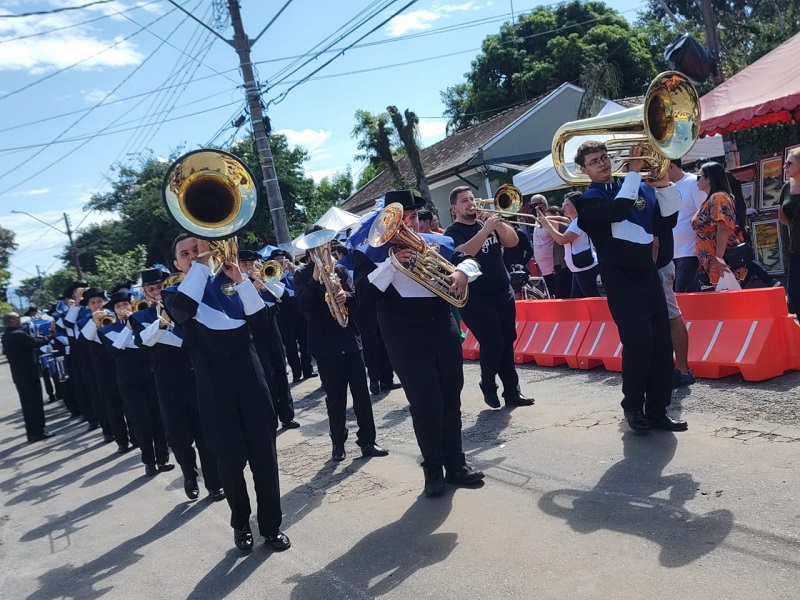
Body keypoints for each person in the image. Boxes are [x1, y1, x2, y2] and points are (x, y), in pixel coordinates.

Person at [163, 234, 290, 553]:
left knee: (265, 456)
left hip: (251, 378)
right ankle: (241, 524)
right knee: (230, 461)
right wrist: (202, 264)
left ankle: (271, 527)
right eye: (186, 254)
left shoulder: (230, 283)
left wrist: (242, 281)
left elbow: (261, 325)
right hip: (213, 385)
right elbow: (183, 311)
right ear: (177, 264)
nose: (194, 255)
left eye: (198, 249)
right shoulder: (174, 293)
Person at [354, 189, 485, 496]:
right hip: (404, 336)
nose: (410, 225)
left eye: (413, 217)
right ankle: (433, 470)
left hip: (442, 326)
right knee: (426, 402)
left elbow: (467, 261)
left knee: (451, 395)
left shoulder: (436, 242)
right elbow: (363, 295)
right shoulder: (369, 254)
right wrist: (391, 264)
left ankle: (457, 465)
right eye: (403, 219)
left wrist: (462, 273)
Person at [572, 140, 688, 433]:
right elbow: (619, 210)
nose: (602, 164)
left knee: (661, 345)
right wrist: (634, 172)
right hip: (620, 280)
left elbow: (668, 220)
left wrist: (664, 186)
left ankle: (659, 410)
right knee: (639, 345)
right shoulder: (588, 201)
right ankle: (634, 407)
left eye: (604, 157)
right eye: (594, 161)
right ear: (583, 170)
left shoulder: (637, 188)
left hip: (648, 274)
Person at [294, 225, 389, 462]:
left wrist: (346, 296)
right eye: (316, 245)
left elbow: (357, 299)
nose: (322, 248)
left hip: (350, 340)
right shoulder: (302, 274)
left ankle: (368, 441)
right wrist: (315, 279)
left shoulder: (341, 270)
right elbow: (302, 306)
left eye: (324, 243)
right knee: (335, 399)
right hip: (324, 346)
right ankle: (338, 443)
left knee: (362, 396)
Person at [130, 268, 226, 501]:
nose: (157, 292)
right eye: (152, 289)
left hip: (195, 376)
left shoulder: (183, 307)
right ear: (145, 292)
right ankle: (189, 476)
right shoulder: (139, 317)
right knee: (179, 437)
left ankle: (214, 483)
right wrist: (163, 320)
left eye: (161, 287)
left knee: (205, 433)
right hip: (167, 382)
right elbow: (143, 341)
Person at [445, 185, 534, 409]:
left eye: (472, 198)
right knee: (493, 342)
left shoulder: (485, 223)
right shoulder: (452, 232)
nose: (471, 203)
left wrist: (498, 223)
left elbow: (513, 241)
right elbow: (463, 252)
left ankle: (512, 391)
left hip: (502, 290)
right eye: (464, 201)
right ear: (454, 208)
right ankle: (488, 384)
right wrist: (485, 230)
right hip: (475, 297)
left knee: (507, 341)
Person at [98, 291, 173, 476]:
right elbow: (115, 351)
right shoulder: (106, 330)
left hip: (151, 376)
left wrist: (136, 322)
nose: (122, 308)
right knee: (141, 421)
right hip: (129, 382)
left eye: (125, 304)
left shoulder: (143, 321)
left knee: (158, 418)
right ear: (114, 310)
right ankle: (149, 461)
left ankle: (163, 459)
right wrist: (129, 327)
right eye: (118, 306)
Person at [238, 250, 299, 430]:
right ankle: (270, 418)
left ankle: (287, 415)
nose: (250, 268)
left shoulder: (262, 278)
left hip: (272, 325)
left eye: (252, 264)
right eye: (245, 265)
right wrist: (251, 289)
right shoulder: (236, 285)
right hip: (253, 332)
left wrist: (266, 281)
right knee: (266, 376)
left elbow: (283, 296)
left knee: (280, 369)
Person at [80, 287, 133, 454]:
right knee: (112, 405)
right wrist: (94, 322)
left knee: (129, 402)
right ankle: (121, 440)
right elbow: (85, 340)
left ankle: (135, 436)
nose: (97, 306)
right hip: (103, 368)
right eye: (93, 303)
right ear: (88, 305)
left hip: (121, 364)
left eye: (99, 302)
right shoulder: (86, 321)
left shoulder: (115, 315)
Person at [691, 161, 745, 287]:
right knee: (725, 294)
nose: (696, 180)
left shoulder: (718, 197)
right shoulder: (712, 198)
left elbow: (723, 227)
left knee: (728, 294)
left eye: (699, 177)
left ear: (709, 179)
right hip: (715, 259)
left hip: (721, 259)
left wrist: (719, 258)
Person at [537, 191, 601, 298]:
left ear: (576, 207)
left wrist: (547, 225)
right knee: (577, 301)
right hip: (579, 268)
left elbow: (562, 240)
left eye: (567, 204)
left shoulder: (578, 222)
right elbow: (564, 221)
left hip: (584, 268)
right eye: (563, 204)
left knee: (593, 299)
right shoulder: (575, 221)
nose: (563, 207)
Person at [2, 312, 53, 443]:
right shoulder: (19, 334)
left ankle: (32, 432)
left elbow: (27, 344)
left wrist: (32, 340)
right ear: (12, 321)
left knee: (27, 404)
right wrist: (51, 334)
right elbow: (37, 343)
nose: (20, 320)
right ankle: (39, 431)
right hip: (29, 373)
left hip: (18, 375)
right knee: (35, 402)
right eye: (18, 318)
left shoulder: (6, 336)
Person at [269, 248, 317, 383]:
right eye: (277, 259)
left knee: (304, 338)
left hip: (297, 304)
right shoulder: (271, 272)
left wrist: (293, 270)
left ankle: (308, 369)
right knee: (289, 343)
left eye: (282, 258)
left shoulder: (294, 269)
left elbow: (301, 283)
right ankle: (296, 372)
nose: (281, 260)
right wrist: (282, 271)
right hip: (283, 308)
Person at [667, 159, 707, 292]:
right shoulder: (663, 186)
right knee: (683, 296)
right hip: (670, 253)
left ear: (671, 166)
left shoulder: (693, 182)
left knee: (683, 295)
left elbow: (703, 216)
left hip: (689, 251)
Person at [779, 147, 800, 314]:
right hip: (796, 248)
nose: (784, 167)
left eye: (789, 164)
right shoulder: (786, 187)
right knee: (794, 294)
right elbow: (782, 217)